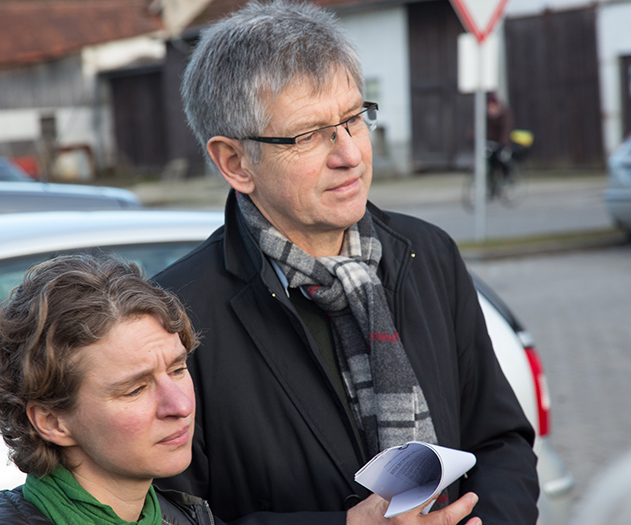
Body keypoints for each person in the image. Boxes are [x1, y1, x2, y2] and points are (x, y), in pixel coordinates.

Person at [153, 1, 539, 524]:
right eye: (309, 135)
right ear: (235, 162)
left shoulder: (427, 254)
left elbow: (500, 440)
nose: (350, 154)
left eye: (354, 118)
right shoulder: (176, 319)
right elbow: (172, 515)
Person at [0, 254, 220, 525]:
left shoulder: (184, 515)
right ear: (52, 422)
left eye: (177, 369)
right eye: (135, 390)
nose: (180, 406)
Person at [486, 92, 515, 192]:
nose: (491, 109)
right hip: (491, 143)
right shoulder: (485, 117)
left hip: (502, 144)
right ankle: (491, 186)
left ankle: (506, 178)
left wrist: (503, 142)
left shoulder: (504, 115)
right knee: (489, 162)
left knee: (503, 159)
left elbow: (506, 130)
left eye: (493, 107)